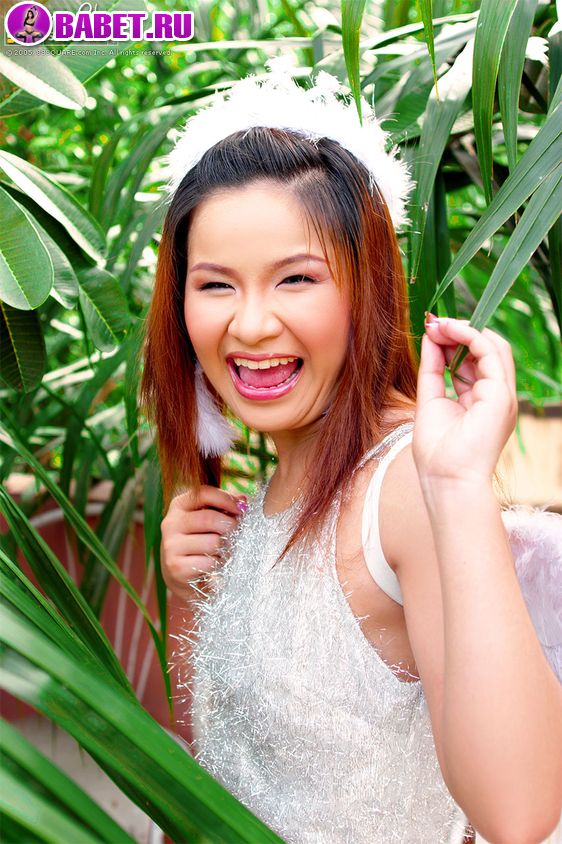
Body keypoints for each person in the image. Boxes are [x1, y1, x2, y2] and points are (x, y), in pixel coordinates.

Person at [141, 62, 562, 843]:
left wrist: (456, 486)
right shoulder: (262, 496)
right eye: (216, 285)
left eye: (296, 279)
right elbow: (238, 762)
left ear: (365, 287)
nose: (251, 324)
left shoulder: (403, 487)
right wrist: (192, 587)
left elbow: (519, 815)